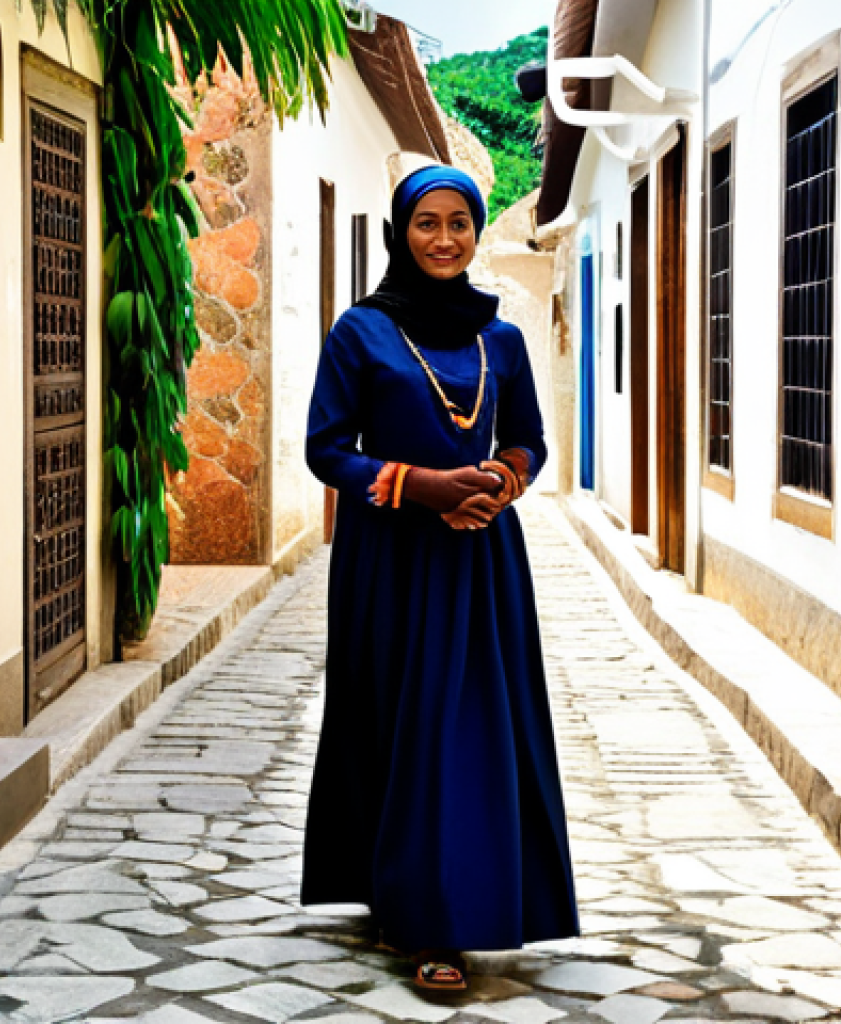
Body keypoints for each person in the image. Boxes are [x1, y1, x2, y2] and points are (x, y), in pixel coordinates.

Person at [300, 164, 579, 990]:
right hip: (389, 559)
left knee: (466, 732)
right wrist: (420, 488)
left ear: (477, 229)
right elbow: (326, 449)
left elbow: (528, 439)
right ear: (401, 231)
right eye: (428, 222)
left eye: (460, 222)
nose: (445, 238)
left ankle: (449, 917)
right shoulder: (361, 332)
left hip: (478, 560)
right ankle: (408, 903)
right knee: (400, 722)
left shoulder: (503, 339)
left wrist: (499, 485)